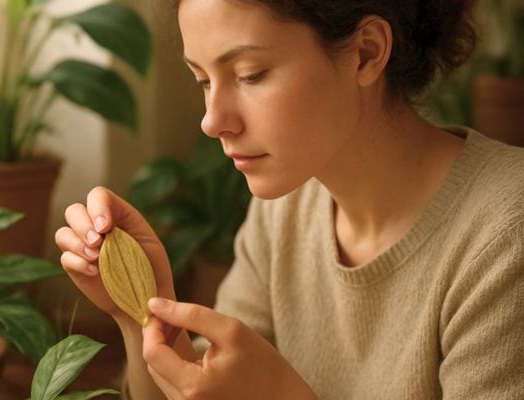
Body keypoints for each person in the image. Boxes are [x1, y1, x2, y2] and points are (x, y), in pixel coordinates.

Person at [55, 0, 524, 398]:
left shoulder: (505, 236)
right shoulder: (285, 208)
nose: (212, 120)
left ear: (366, 53)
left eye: (250, 74)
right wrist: (143, 314)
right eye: (202, 80)